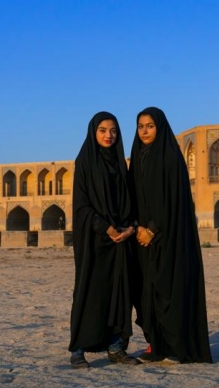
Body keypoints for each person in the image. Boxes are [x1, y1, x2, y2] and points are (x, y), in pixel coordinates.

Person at [128, 107, 212, 364]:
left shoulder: (171, 158)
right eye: (141, 126)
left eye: (150, 126)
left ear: (160, 127)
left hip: (168, 236)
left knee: (168, 290)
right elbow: (132, 198)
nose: (144, 131)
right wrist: (137, 227)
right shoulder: (137, 156)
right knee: (147, 292)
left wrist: (152, 229)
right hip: (142, 238)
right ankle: (156, 345)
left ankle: (176, 348)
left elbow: (172, 200)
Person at [69, 112, 140, 369]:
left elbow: (132, 202)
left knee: (120, 293)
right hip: (95, 241)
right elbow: (81, 206)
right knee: (90, 292)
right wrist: (106, 228)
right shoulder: (85, 162)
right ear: (93, 132)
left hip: (121, 240)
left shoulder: (121, 164)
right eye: (102, 130)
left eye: (113, 131)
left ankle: (116, 347)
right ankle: (78, 349)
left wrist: (131, 228)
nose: (108, 135)